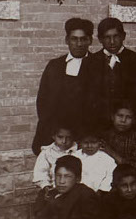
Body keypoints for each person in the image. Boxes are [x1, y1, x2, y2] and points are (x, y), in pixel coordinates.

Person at [33, 18, 97, 155]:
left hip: (84, 137)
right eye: (74, 39)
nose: (79, 44)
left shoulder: (99, 65)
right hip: (55, 135)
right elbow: (43, 101)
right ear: (67, 40)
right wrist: (55, 133)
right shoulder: (54, 66)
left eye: (83, 39)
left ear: (90, 41)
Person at [89, 17, 136, 130]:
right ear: (100, 39)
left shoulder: (133, 59)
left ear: (123, 36)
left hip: (125, 124)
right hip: (100, 123)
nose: (112, 42)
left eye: (116, 36)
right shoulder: (93, 60)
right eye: (107, 37)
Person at [100, 102, 136, 174]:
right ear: (112, 117)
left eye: (128, 117)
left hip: (127, 175)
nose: (123, 120)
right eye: (120, 116)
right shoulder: (106, 134)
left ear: (133, 120)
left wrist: (112, 153)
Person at [32, 126, 76, 196]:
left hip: (75, 190)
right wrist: (46, 186)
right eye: (60, 137)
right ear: (54, 136)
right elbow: (40, 173)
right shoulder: (47, 153)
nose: (64, 141)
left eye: (68, 137)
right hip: (54, 189)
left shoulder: (78, 152)